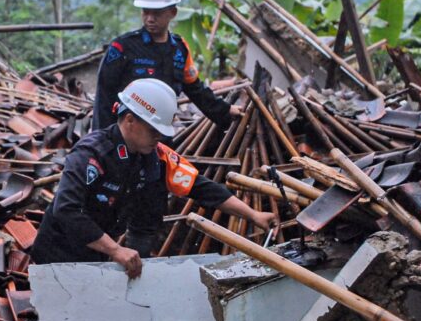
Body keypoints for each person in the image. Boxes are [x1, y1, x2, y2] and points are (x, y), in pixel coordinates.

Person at [31, 79, 274, 278]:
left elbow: (201, 188)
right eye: (153, 130)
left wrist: (254, 215)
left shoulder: (155, 156)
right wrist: (115, 250)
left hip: (97, 256)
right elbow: (66, 210)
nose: (158, 137)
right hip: (58, 255)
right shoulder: (91, 154)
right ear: (130, 120)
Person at [92, 0, 243, 133]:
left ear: (172, 13)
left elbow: (196, 90)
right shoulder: (122, 48)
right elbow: (104, 99)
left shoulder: (180, 50)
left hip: (161, 137)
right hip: (126, 137)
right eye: (145, 12)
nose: (150, 19)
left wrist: (226, 111)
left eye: (156, 13)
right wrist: (102, 141)